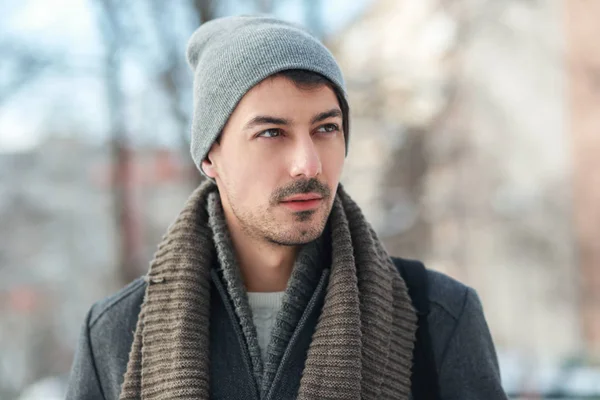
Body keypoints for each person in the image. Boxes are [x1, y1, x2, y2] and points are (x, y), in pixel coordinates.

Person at [66, 15, 508, 400]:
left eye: (327, 128)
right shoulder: (116, 333)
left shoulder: (437, 316)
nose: (308, 163)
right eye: (272, 133)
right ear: (210, 156)